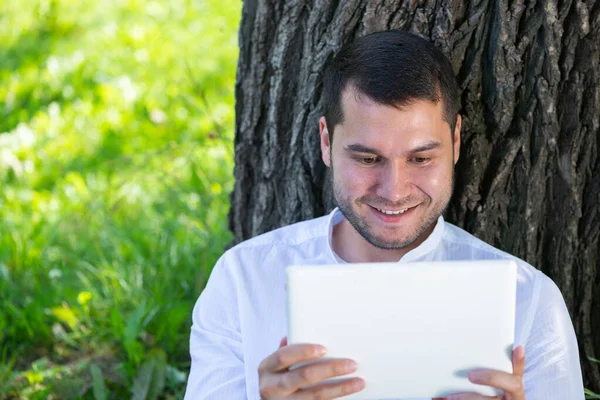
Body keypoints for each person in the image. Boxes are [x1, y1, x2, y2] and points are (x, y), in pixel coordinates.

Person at [183, 30, 584, 400]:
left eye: (421, 158)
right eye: (368, 158)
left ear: (456, 140)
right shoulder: (245, 280)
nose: (394, 190)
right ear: (327, 141)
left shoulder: (530, 302)